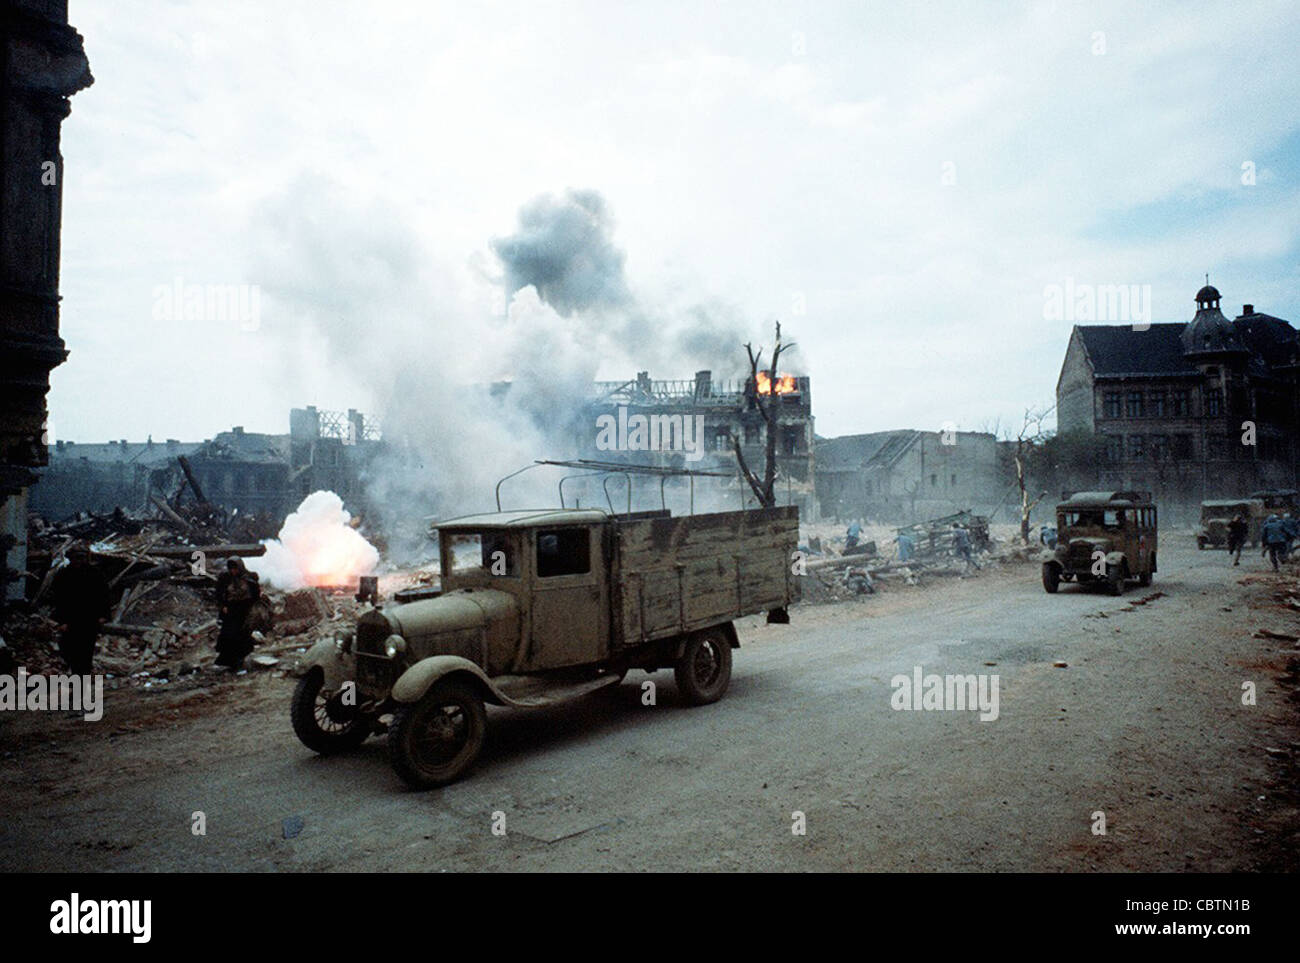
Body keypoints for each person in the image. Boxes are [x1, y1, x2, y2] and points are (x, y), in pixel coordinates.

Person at [49, 543, 112, 675]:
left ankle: (81, 684)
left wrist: (103, 615)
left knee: (85, 653)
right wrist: (61, 621)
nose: (79, 561)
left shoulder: (95, 574)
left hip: (89, 619)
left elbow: (104, 595)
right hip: (70, 620)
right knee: (68, 650)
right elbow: (57, 599)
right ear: (70, 558)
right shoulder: (64, 575)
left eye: (81, 558)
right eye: (75, 558)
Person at [215, 557, 260, 670]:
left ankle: (240, 660)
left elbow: (255, 594)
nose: (233, 571)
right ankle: (228, 661)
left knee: (242, 635)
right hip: (231, 610)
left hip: (244, 610)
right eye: (231, 569)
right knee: (228, 634)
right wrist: (223, 605)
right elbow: (219, 593)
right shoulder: (225, 578)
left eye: (235, 569)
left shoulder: (249, 578)